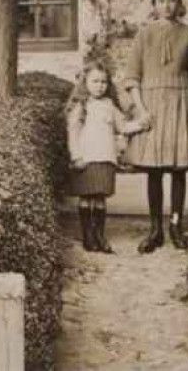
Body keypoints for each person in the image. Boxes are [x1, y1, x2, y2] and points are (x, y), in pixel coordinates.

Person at [122, 0, 188, 253]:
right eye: (161, 1)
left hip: (180, 106)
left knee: (178, 169)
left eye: (172, 0)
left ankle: (176, 226)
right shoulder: (143, 35)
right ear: (154, 5)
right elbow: (132, 77)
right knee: (154, 171)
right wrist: (141, 110)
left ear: (179, 4)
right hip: (152, 109)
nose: (167, 6)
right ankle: (155, 229)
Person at [66, 61, 145, 253]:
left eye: (103, 82)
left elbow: (123, 126)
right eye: (95, 81)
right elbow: (73, 132)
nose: (100, 86)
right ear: (85, 83)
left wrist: (141, 124)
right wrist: (76, 156)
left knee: (100, 198)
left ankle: (100, 236)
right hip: (86, 158)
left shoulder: (110, 105)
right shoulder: (81, 105)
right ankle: (88, 237)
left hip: (105, 158)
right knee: (86, 198)